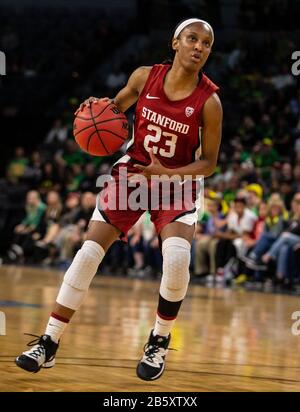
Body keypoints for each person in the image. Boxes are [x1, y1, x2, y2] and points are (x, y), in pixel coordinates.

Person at [15, 17, 222, 381]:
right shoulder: (145, 77)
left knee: (176, 259)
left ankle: (158, 340)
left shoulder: (210, 101)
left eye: (206, 44)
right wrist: (95, 112)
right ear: (175, 42)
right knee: (89, 253)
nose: (199, 48)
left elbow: (208, 164)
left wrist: (168, 174)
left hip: (178, 181)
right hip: (134, 172)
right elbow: (113, 110)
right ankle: (48, 341)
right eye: (192, 39)